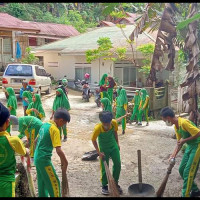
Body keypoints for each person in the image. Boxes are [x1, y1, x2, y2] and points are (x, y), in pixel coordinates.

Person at [160, 107, 200, 197]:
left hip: (197, 146)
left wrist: (184, 140)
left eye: (164, 120)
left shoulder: (184, 123)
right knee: (181, 170)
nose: (165, 122)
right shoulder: (176, 126)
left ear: (168, 118)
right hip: (190, 146)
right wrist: (173, 155)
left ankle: (185, 194)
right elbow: (179, 143)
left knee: (188, 172)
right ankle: (195, 190)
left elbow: (198, 133)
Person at [34, 108, 70, 197]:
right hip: (44, 160)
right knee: (55, 183)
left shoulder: (45, 125)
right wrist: (65, 161)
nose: (63, 126)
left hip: (37, 157)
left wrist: (38, 154)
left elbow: (35, 141)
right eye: (64, 124)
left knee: (42, 182)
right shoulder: (55, 129)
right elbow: (58, 150)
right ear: (61, 120)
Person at [0, 102, 29, 197]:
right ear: (8, 122)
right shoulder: (13, 140)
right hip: (6, 183)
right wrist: (27, 151)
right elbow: (24, 152)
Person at [91, 111, 122, 195]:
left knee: (118, 163)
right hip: (103, 148)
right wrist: (98, 152)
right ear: (101, 122)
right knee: (105, 166)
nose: (107, 125)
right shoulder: (98, 128)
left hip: (113, 146)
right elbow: (93, 140)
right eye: (105, 123)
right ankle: (104, 185)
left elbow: (115, 132)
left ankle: (115, 183)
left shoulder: (114, 123)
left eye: (109, 122)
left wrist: (117, 144)